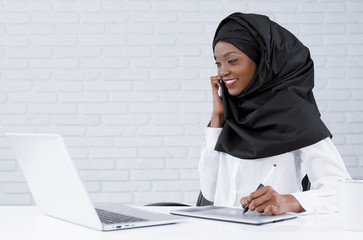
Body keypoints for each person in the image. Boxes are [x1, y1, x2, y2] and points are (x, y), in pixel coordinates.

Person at [199, 12, 351, 215]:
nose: (222, 72)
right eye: (218, 63)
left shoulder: (297, 115)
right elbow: (209, 191)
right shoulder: (233, 116)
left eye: (232, 60)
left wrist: (289, 201)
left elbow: (342, 192)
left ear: (262, 60)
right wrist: (217, 118)